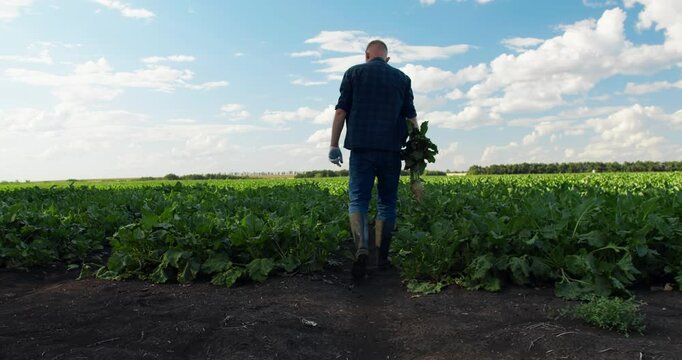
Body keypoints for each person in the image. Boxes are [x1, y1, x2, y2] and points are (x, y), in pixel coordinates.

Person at [328, 39, 418, 280]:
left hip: (361, 149)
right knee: (387, 203)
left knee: (358, 199)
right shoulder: (402, 78)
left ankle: (362, 249)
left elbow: (340, 112)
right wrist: (415, 150)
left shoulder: (353, 73)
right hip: (391, 150)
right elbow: (411, 119)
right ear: (386, 59)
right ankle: (382, 258)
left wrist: (334, 144)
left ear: (366, 55)